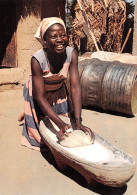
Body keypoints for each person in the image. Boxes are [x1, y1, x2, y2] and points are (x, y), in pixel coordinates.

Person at [21, 17, 94, 151]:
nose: (60, 39)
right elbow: (40, 97)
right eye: (54, 36)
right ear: (44, 41)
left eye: (63, 35)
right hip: (38, 93)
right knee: (41, 137)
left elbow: (75, 88)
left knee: (65, 129)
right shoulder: (37, 60)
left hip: (58, 90)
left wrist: (78, 121)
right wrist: (60, 124)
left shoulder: (71, 54)